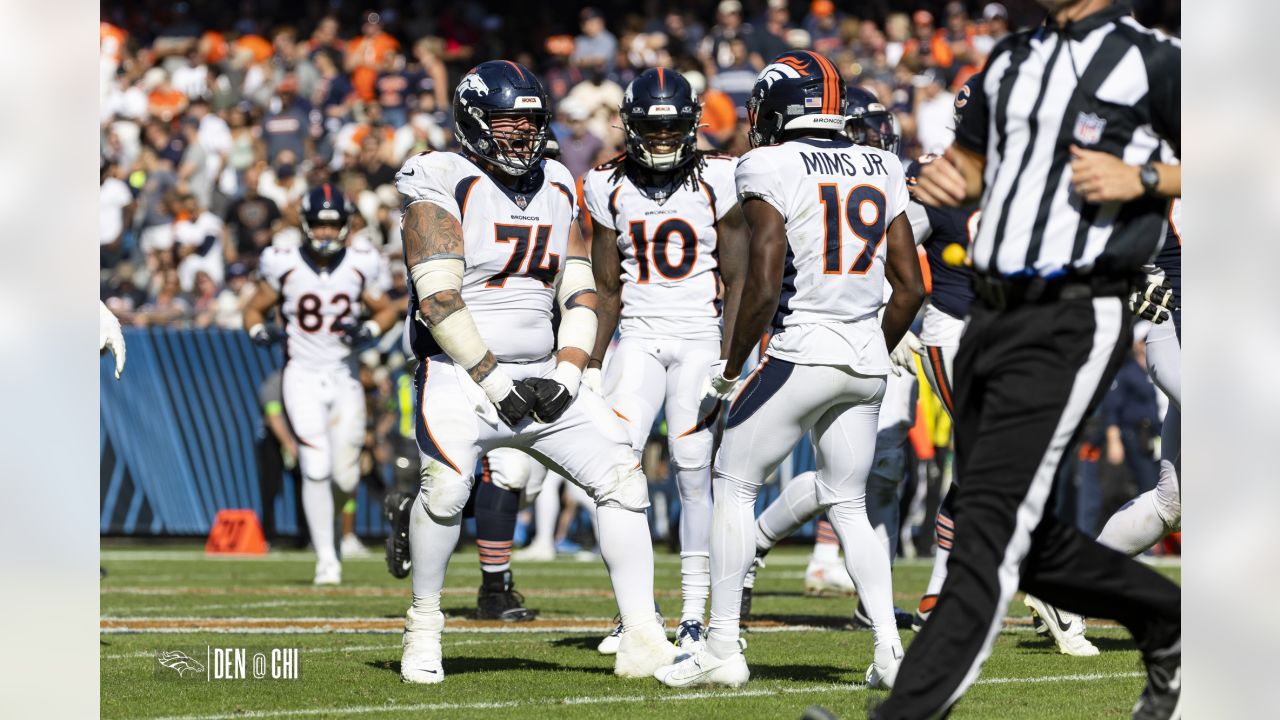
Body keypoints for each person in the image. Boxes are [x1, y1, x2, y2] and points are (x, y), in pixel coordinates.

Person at [873, 1, 1181, 717]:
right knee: (1018, 530)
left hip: (1075, 311)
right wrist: (955, 181)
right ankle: (1164, 619)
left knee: (989, 530)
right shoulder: (1011, 58)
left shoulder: (1154, 60)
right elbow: (977, 168)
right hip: (985, 312)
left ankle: (906, 710)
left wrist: (1144, 180)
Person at [392, 60, 673, 684]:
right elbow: (438, 298)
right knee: (444, 489)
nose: (521, 136)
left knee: (624, 482)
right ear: (472, 121)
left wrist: (570, 371)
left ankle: (644, 637)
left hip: (543, 370)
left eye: (530, 123)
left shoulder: (555, 179)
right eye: (506, 123)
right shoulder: (440, 176)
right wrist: (494, 381)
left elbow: (578, 288)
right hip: (460, 374)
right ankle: (425, 624)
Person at [654, 50, 925, 690]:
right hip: (865, 359)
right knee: (851, 504)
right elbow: (911, 288)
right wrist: (869, 346)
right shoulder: (882, 162)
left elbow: (765, 277)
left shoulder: (768, 162)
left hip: (805, 347)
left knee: (733, 482)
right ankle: (890, 653)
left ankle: (721, 645)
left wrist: (727, 371)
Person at [581, 67, 748, 653]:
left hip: (701, 335)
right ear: (629, 126)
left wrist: (733, 356)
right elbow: (606, 286)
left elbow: (737, 272)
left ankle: (695, 611)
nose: (659, 139)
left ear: (691, 125)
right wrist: (590, 361)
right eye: (649, 129)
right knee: (616, 469)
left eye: (670, 127)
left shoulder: (719, 177)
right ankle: (638, 611)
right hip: (640, 336)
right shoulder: (604, 184)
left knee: (693, 466)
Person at [242, 184, 400, 585]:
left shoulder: (361, 263)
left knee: (345, 477)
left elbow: (385, 311)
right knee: (314, 466)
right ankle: (326, 558)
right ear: (306, 225)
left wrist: (367, 327)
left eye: (333, 225)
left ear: (346, 226)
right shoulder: (284, 262)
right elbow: (254, 309)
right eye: (319, 224)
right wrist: (259, 330)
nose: (327, 232)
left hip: (345, 376)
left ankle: (332, 535)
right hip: (302, 375)